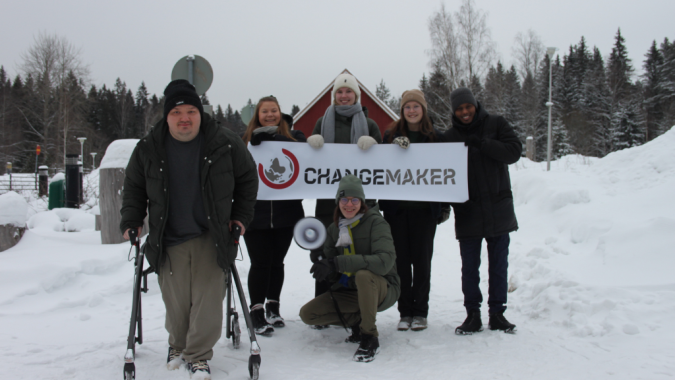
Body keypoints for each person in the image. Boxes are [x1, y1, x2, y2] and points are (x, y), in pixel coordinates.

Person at [120, 79, 258, 379]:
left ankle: (197, 356)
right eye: (177, 111)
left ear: (200, 112)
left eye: (191, 111)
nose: (184, 117)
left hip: (213, 235)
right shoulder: (148, 147)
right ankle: (178, 345)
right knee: (177, 301)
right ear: (166, 115)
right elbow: (133, 187)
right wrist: (131, 221)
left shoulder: (225, 141)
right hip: (169, 236)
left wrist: (240, 217)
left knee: (208, 301)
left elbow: (248, 179)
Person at [442, 87, 521, 335]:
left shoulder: (496, 124)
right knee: (470, 267)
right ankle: (472, 314)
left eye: (468, 107)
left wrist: (484, 144)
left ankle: (497, 313)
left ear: (475, 105)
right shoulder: (450, 137)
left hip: (498, 208)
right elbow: (437, 171)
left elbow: (514, 151)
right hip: (468, 211)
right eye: (459, 109)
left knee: (499, 265)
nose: (465, 112)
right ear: (454, 111)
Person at [299, 175, 400, 363]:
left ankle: (369, 336)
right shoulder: (334, 228)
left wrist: (338, 263)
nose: (349, 205)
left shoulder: (376, 223)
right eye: (344, 200)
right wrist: (322, 262)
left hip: (383, 288)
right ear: (338, 202)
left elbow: (384, 262)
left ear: (361, 202)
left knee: (363, 275)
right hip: (351, 290)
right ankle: (357, 321)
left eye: (355, 200)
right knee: (308, 314)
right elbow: (332, 269)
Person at [306, 73, 382, 302]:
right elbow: (312, 163)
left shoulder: (369, 124)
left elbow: (383, 164)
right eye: (339, 91)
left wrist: (375, 146)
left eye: (349, 91)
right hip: (328, 203)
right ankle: (324, 304)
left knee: (357, 252)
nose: (344, 95)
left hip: (359, 204)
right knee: (327, 251)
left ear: (356, 95)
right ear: (334, 96)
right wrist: (311, 144)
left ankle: (355, 304)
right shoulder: (322, 121)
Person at [379, 90, 450, 332]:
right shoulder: (391, 136)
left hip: (424, 211)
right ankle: (405, 311)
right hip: (396, 211)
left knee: (422, 263)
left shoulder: (435, 138)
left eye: (415, 106)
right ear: (402, 110)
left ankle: (421, 312)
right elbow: (378, 165)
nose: (411, 110)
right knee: (400, 263)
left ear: (423, 109)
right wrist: (390, 147)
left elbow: (446, 174)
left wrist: (445, 205)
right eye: (407, 107)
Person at [241, 96, 306, 336]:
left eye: (274, 111)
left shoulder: (294, 137)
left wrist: (271, 138)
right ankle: (256, 311)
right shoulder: (245, 141)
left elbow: (303, 151)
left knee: (277, 263)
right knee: (260, 263)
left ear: (281, 113)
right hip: (254, 215)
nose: (270, 115)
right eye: (264, 111)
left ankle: (273, 307)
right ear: (257, 115)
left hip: (285, 215)